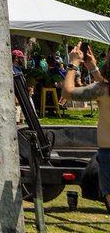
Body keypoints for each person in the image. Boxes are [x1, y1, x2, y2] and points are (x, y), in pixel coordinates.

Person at [62, 42, 110, 210]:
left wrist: (73, 64)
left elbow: (67, 92)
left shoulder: (101, 90)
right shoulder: (103, 89)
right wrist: (93, 69)